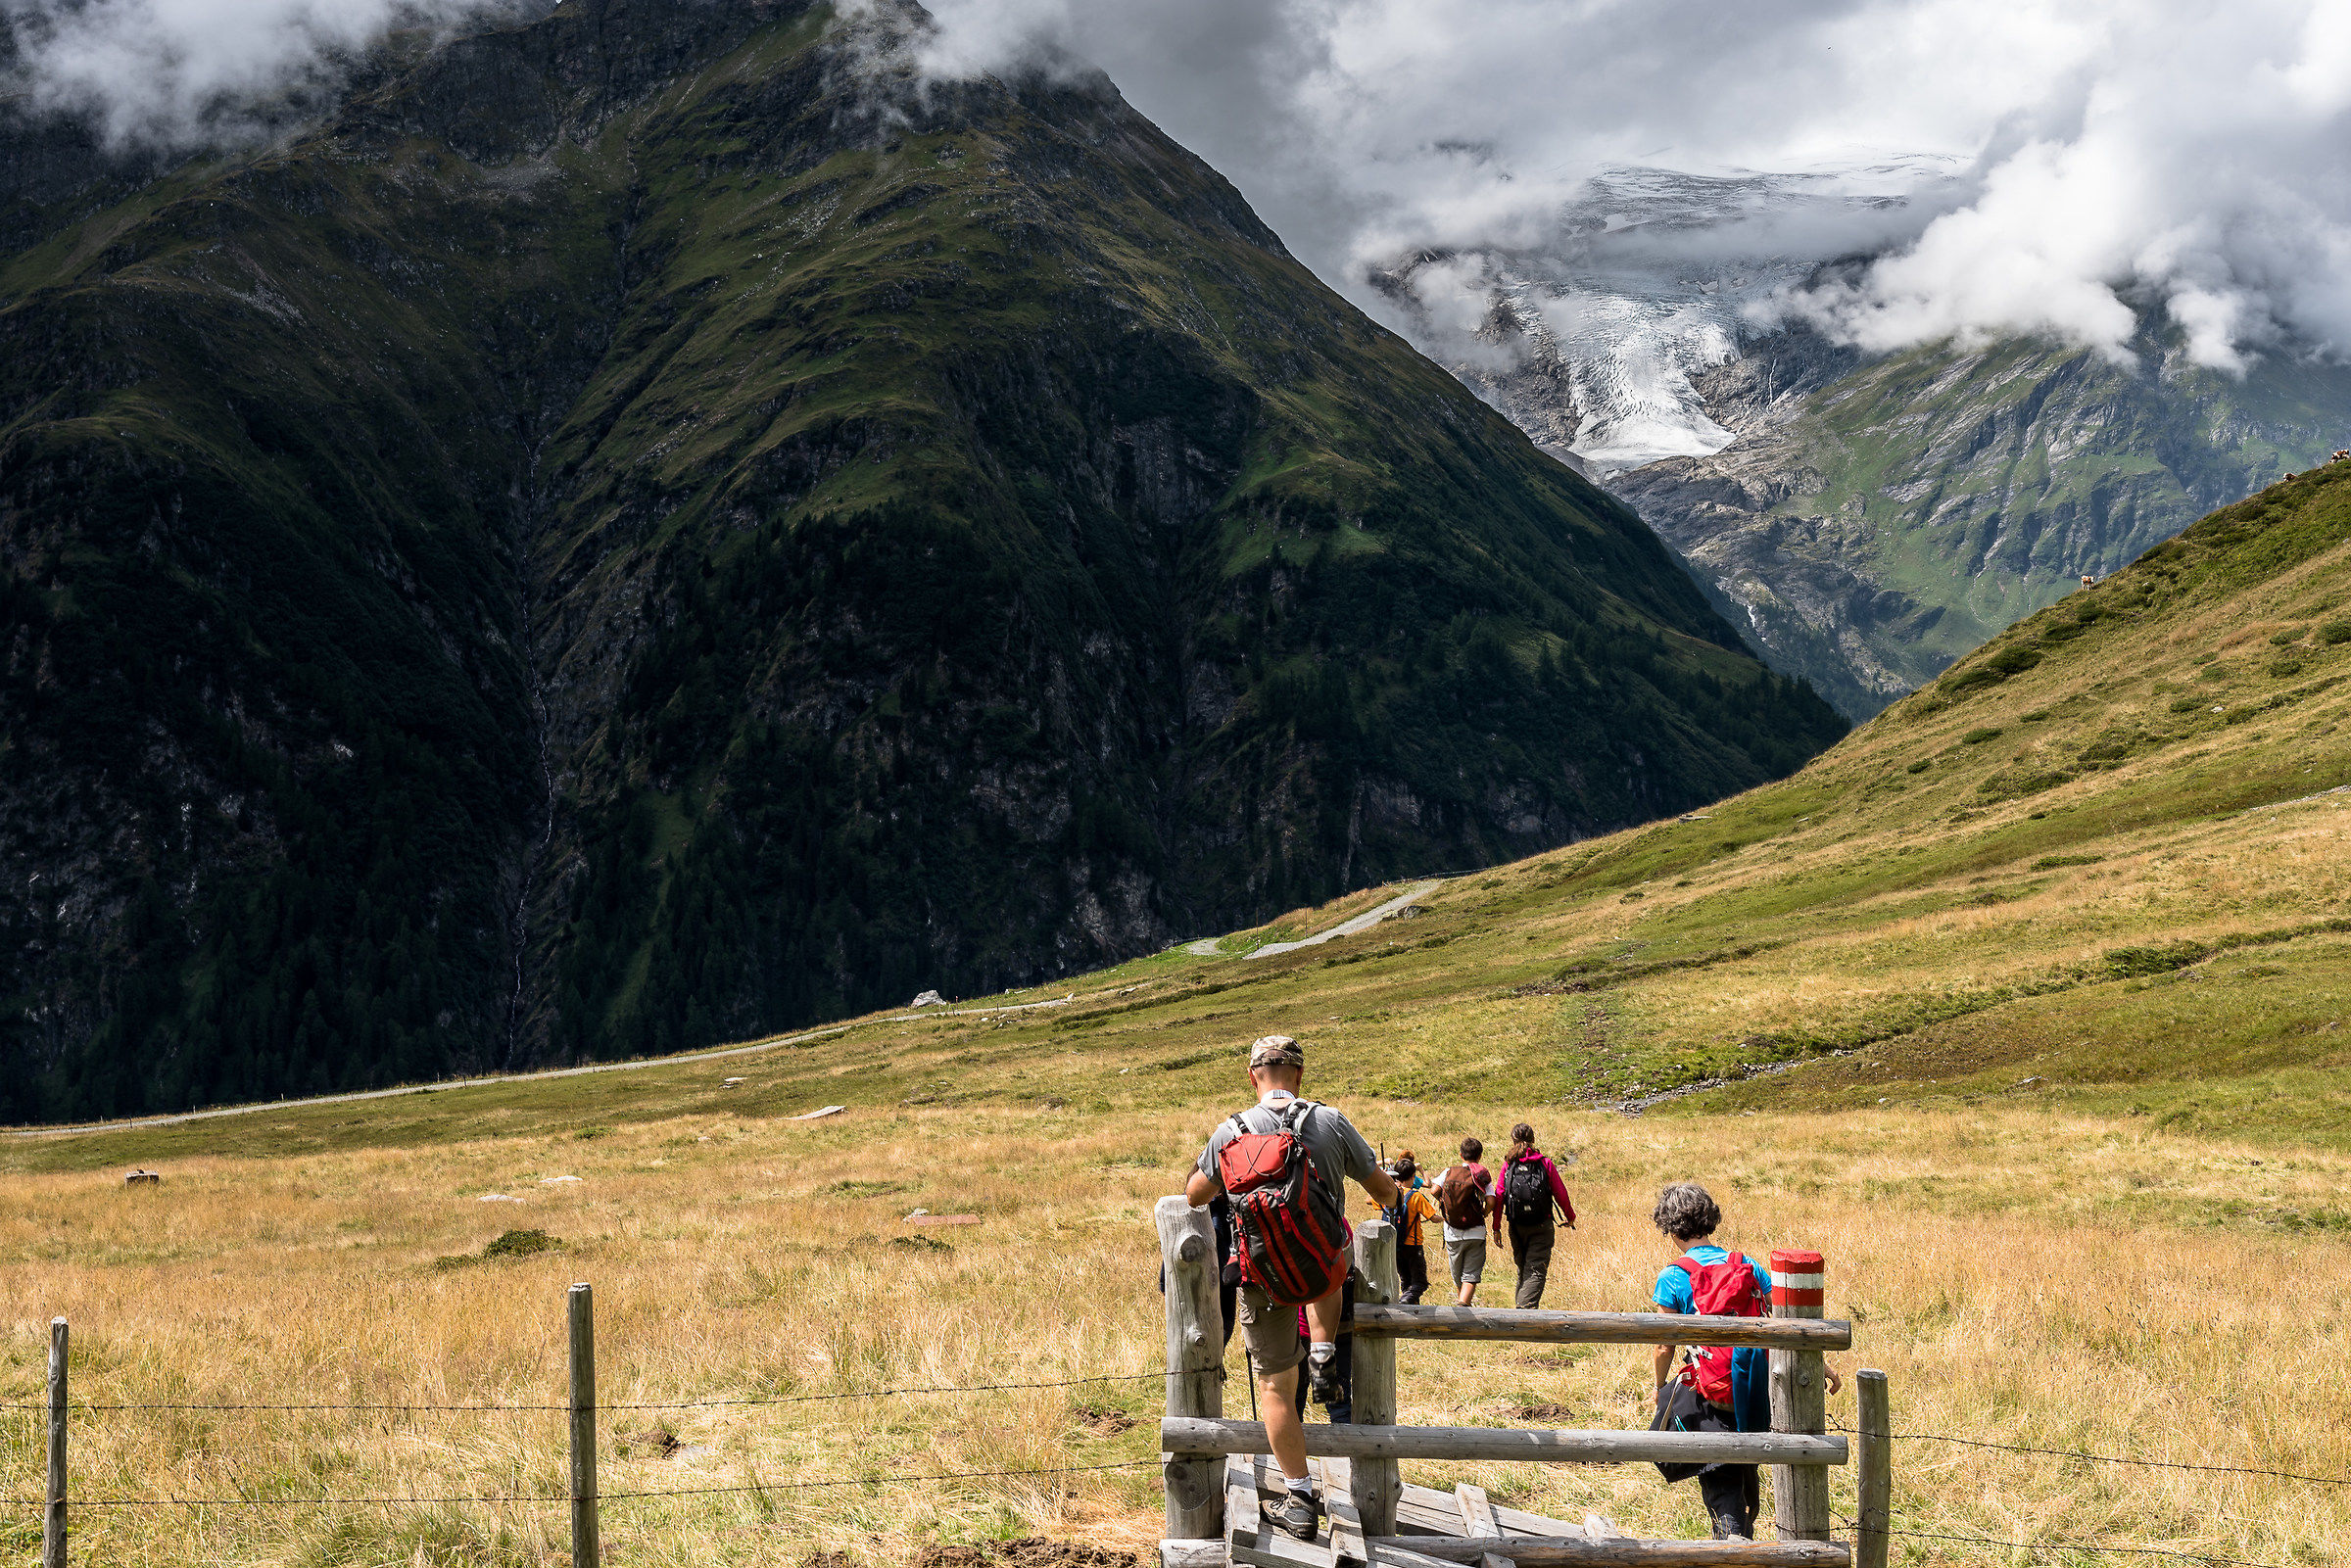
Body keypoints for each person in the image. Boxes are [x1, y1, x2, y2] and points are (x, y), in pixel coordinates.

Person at [1189, 1035, 1398, 1543]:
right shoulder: (1329, 1121)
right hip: (1324, 1273)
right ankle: (1323, 1349)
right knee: (1332, 1251)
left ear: (1252, 1075)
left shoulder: (1230, 1131)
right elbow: (1384, 1191)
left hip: (1262, 1278)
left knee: (1276, 1388)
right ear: (1300, 1075)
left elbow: (1195, 1194)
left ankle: (1300, 1497)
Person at [1646, 1182, 1841, 1542]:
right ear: (1710, 1219)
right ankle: (1745, 1530)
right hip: (1759, 1387)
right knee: (1745, 1462)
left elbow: (1664, 1346)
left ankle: (1733, 1544)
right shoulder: (1746, 1265)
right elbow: (1787, 1323)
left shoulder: (1674, 1276)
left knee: (1719, 1477)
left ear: (1671, 1230)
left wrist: (1660, 1389)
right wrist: (1822, 1365)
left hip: (1715, 1390)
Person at [1497, 1123, 1576, 1308]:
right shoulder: (1545, 1163)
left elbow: (1500, 1195)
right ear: (1533, 1139)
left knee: (1524, 1268)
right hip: (1541, 1224)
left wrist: (1496, 1227)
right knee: (1535, 1269)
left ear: (1513, 1139)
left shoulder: (1509, 1165)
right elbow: (1560, 1193)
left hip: (1516, 1225)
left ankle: (1520, 1313)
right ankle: (1524, 1313)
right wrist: (1570, 1216)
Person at [1433, 1136, 1495, 1307]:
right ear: (1480, 1155)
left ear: (1461, 1155)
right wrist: (1484, 1212)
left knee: (1458, 1275)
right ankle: (1463, 1307)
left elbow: (1433, 1190)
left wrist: (1444, 1201)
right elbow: (1491, 1201)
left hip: (1452, 1232)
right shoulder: (1481, 1174)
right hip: (1476, 1231)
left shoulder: (1448, 1172)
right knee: (1471, 1274)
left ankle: (1462, 1307)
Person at [1379, 1155, 1442, 1306]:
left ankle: (1412, 1313)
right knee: (1420, 1283)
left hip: (1395, 1245)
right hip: (1413, 1245)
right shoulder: (1416, 1197)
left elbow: (1369, 1200)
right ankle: (1404, 1302)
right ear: (1413, 1176)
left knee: (1406, 1281)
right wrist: (1446, 1219)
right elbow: (1433, 1217)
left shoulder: (1389, 1194)